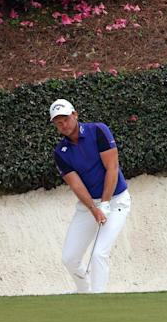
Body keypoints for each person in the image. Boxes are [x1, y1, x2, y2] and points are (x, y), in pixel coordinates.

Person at [49, 98, 131, 293]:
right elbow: (77, 186)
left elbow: (112, 167)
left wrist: (105, 203)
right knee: (69, 258)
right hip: (88, 206)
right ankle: (84, 292)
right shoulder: (61, 152)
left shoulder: (98, 131)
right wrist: (94, 209)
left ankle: (98, 299)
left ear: (75, 115)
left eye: (66, 119)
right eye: (58, 123)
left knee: (99, 254)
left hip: (116, 200)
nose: (64, 125)